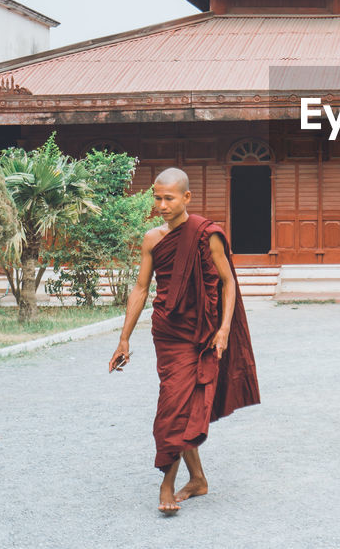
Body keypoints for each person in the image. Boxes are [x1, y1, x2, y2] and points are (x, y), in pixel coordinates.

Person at [109, 167, 261, 515]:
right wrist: (123, 339)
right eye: (157, 198)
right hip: (168, 333)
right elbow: (141, 288)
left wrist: (224, 330)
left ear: (186, 198)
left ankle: (166, 484)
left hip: (201, 333)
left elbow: (227, 283)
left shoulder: (208, 235)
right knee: (179, 405)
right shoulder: (152, 239)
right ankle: (198, 478)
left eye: (169, 198)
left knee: (174, 409)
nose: (161, 205)